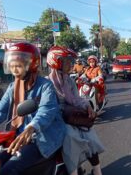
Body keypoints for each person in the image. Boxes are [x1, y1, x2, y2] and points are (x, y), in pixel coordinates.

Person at [0, 42, 65, 174]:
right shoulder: (13, 87)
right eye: (12, 66)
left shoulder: (45, 86)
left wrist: (31, 127)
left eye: (18, 66)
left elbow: (46, 110)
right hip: (19, 136)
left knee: (8, 170)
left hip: (42, 137)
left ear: (32, 65)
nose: (14, 70)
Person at [46, 46, 105, 175]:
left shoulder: (69, 81)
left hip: (72, 116)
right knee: (71, 138)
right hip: (57, 121)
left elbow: (77, 99)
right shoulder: (47, 83)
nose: (71, 64)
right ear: (57, 62)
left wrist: (87, 106)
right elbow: (46, 108)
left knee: (89, 134)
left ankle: (97, 171)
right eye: (67, 62)